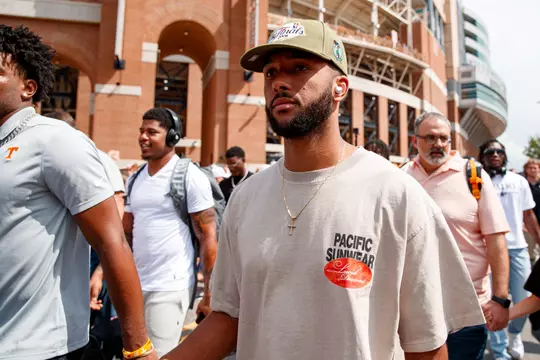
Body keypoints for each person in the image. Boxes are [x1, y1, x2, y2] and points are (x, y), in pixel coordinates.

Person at [163, 19, 484, 360]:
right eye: (271, 72)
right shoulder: (246, 198)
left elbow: (426, 346)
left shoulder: (397, 194)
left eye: (299, 67)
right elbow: (228, 318)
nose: (280, 82)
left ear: (340, 87)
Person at [0, 25, 156, 360]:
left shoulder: (54, 141)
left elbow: (110, 240)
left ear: (28, 87)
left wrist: (138, 347)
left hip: (36, 348)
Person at [401, 112, 511, 360]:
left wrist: (501, 299)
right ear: (414, 140)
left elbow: (496, 240)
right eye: (430, 138)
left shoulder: (473, 175)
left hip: (468, 310)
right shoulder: (401, 178)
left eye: (443, 138)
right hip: (415, 309)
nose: (438, 144)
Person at [118, 107, 217, 357]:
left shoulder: (189, 176)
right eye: (141, 131)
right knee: (134, 354)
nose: (143, 137)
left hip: (170, 286)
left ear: (172, 137)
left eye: (152, 132)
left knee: (161, 354)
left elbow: (207, 236)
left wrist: (210, 293)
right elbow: (126, 234)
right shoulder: (135, 178)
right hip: (135, 284)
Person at [480, 139, 540, 360]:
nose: (495, 155)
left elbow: (528, 215)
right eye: (490, 152)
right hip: (489, 251)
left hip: (517, 249)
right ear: (483, 156)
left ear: (504, 155)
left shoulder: (519, 181)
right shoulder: (478, 181)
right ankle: (499, 350)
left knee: (526, 297)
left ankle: (514, 333)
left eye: (499, 151)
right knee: (493, 301)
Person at [523, 158, 540, 262]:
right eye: (530, 168)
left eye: (535, 168)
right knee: (531, 253)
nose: (533, 170)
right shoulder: (522, 184)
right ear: (526, 170)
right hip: (528, 223)